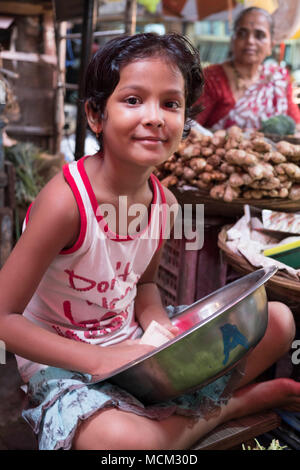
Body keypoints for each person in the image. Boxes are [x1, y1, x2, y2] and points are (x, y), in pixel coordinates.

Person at [0, 32, 299, 451]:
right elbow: (4, 318)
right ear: (95, 115)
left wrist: (160, 334)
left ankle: (168, 417)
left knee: (279, 320)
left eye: (171, 104)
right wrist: (99, 359)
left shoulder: (165, 203)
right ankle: (229, 406)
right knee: (118, 441)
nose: (155, 117)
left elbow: (143, 286)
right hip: (64, 360)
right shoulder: (66, 203)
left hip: (131, 344)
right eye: (133, 100)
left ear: (185, 122)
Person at [196, 7, 300, 131]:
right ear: (233, 40)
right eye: (242, 33)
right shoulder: (212, 77)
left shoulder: (278, 78)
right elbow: (192, 127)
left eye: (259, 35)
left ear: (271, 45)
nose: (250, 41)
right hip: (217, 149)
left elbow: (296, 126)